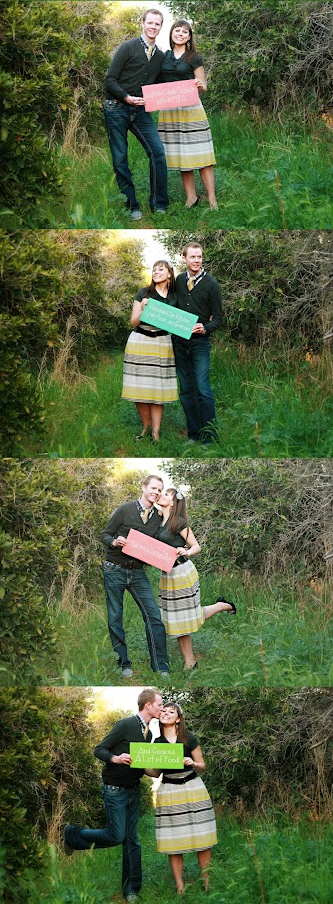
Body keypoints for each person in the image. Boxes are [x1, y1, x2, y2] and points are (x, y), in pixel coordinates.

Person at [63, 687, 163, 904]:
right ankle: (73, 834)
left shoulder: (151, 733)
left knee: (132, 841)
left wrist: (165, 768)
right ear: (148, 705)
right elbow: (99, 749)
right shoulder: (125, 724)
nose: (162, 707)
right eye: (160, 704)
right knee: (116, 836)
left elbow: (144, 764)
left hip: (133, 791)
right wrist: (115, 759)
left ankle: (131, 890)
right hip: (114, 790)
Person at [156, 486, 236, 669]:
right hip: (167, 575)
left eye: (167, 494)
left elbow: (196, 546)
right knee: (178, 618)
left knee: (183, 618)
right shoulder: (158, 520)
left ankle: (190, 662)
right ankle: (221, 605)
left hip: (182, 572)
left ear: (174, 502)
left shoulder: (179, 522)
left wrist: (186, 551)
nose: (162, 495)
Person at [103, 6, 169, 220]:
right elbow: (109, 80)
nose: (153, 26)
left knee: (157, 152)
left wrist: (190, 85)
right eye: (150, 22)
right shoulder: (127, 48)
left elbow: (159, 85)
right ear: (142, 23)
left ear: (160, 27)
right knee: (120, 158)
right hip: (116, 107)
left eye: (157, 24)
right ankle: (131, 205)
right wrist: (126, 97)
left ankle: (159, 203)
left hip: (140, 112)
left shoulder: (159, 56)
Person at [101, 473, 169, 675]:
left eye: (159, 490)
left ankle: (161, 666)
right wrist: (114, 542)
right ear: (143, 487)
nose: (156, 492)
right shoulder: (125, 509)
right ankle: (123, 664)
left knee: (154, 616)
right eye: (153, 488)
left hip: (138, 572)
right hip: (114, 569)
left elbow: (160, 543)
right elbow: (105, 534)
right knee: (115, 617)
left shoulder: (157, 517)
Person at [152, 702, 217, 894]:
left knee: (202, 834)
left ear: (178, 718)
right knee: (174, 838)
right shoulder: (157, 743)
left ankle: (207, 883)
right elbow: (155, 773)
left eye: (171, 711)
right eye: (163, 711)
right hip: (170, 790)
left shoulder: (189, 739)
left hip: (193, 788)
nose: (166, 713)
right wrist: (139, 764)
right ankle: (180, 886)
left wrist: (193, 762)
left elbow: (203, 765)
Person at [158, 19, 217, 209]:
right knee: (182, 155)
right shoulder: (163, 57)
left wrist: (200, 85)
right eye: (177, 30)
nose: (181, 34)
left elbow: (204, 85)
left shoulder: (194, 57)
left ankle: (212, 198)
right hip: (170, 112)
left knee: (202, 154)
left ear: (189, 36)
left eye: (185, 32)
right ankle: (191, 197)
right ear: (171, 33)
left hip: (192, 110)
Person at [123, 257, 178, 441]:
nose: (156, 272)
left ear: (169, 273)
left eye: (160, 269)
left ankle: (156, 433)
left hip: (162, 343)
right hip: (140, 340)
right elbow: (133, 321)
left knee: (157, 389)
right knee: (139, 389)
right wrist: (143, 309)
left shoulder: (174, 296)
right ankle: (145, 428)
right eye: (154, 269)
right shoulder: (143, 293)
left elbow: (181, 319)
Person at [173, 242, 222, 443]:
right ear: (184, 258)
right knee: (186, 389)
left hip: (200, 343)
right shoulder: (178, 280)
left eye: (199, 257)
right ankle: (193, 433)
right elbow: (170, 305)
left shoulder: (212, 284)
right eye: (192, 257)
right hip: (179, 341)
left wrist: (205, 328)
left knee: (202, 388)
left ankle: (210, 437)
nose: (196, 260)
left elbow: (218, 318)